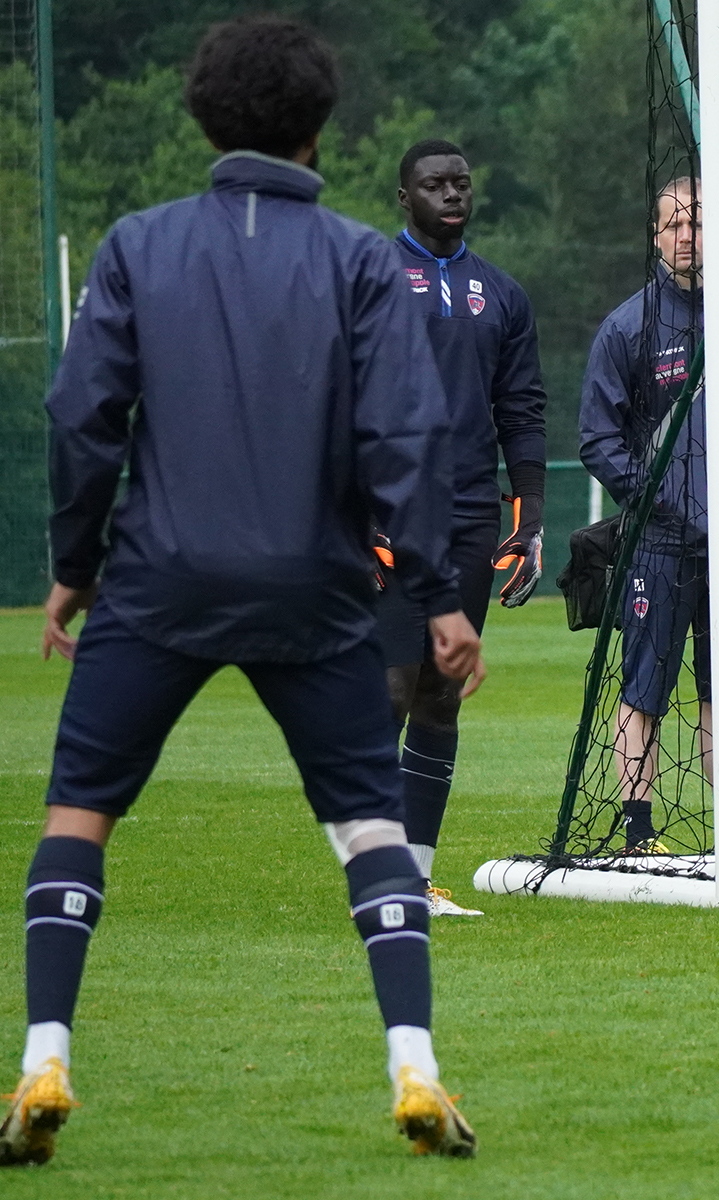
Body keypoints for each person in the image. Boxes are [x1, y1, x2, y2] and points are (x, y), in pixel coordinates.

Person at [2, 17, 479, 1165]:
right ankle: (414, 1065)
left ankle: (42, 1059)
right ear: (320, 128)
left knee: (81, 812)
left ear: (201, 116)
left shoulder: (136, 244)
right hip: (315, 593)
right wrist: (435, 591)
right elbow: (404, 436)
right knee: (370, 827)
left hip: (158, 580)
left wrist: (74, 566)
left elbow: (82, 420)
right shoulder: (365, 258)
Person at [580, 177, 719, 852]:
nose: (686, 235)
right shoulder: (626, 327)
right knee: (645, 687)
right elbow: (598, 439)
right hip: (661, 546)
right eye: (674, 224)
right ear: (656, 236)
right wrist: (660, 502)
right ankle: (639, 829)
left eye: (699, 223)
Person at [377, 138, 548, 916]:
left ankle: (413, 880)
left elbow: (522, 410)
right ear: (403, 196)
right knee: (387, 689)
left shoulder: (501, 294)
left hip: (474, 513)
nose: (452, 193)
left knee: (442, 693)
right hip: (387, 510)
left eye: (461, 183)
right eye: (434, 184)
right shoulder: (372, 279)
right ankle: (373, 877)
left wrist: (531, 515)